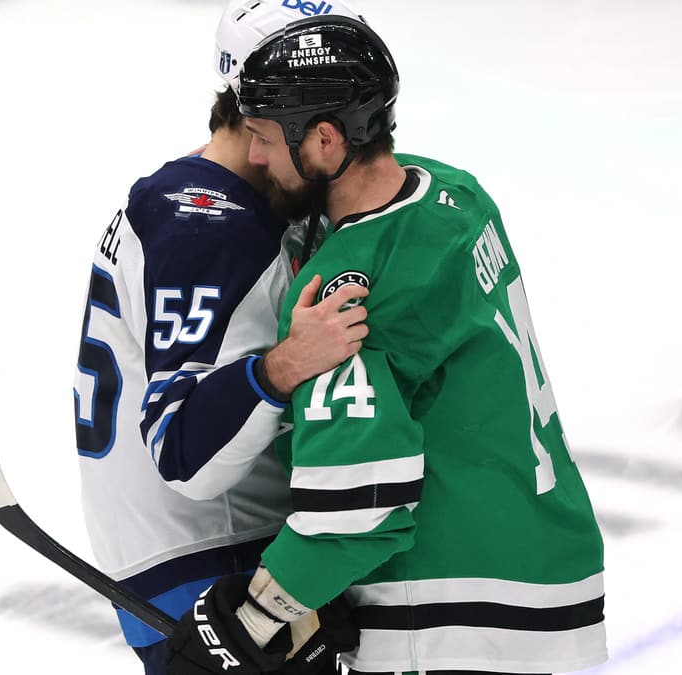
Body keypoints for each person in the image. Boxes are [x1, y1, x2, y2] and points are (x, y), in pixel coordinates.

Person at [163, 15, 608, 675]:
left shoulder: (342, 292)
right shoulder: (455, 195)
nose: (254, 159)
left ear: (324, 138)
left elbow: (359, 510)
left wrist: (251, 621)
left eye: (264, 138)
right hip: (546, 566)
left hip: (452, 613)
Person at [72, 3, 369, 674]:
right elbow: (184, 451)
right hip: (219, 572)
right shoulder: (208, 223)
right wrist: (284, 366)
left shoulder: (208, 192)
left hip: (198, 559)